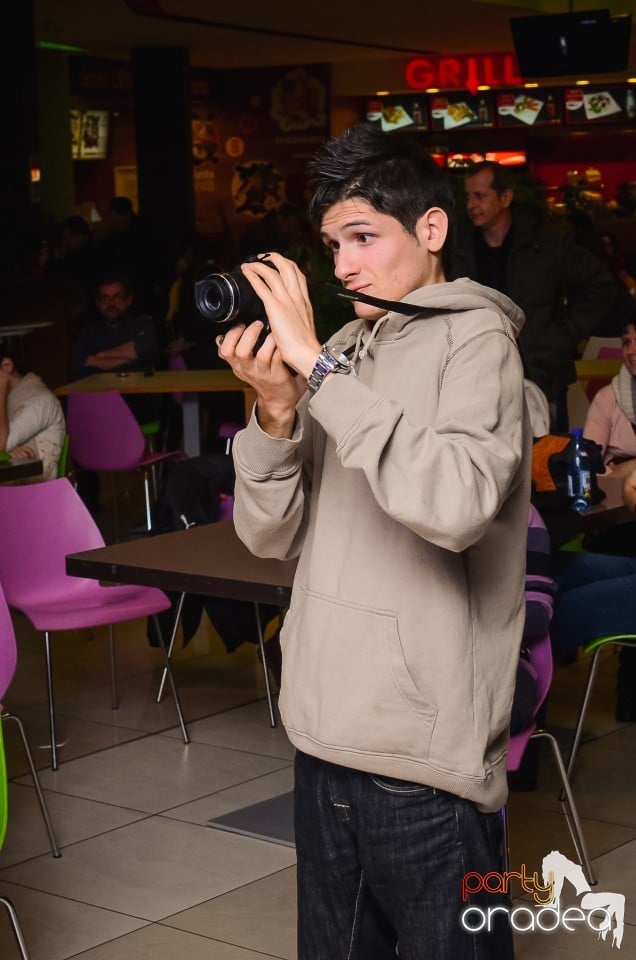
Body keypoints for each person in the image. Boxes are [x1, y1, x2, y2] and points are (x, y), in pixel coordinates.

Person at [218, 123, 531, 959]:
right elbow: (270, 536)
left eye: (364, 237)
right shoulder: (346, 349)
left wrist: (317, 371)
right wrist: (275, 413)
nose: (345, 265)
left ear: (431, 229)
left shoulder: (479, 342)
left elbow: (458, 504)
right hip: (322, 733)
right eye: (333, 246)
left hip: (423, 757)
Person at [457, 161, 617, 432]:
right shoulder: (462, 249)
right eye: (468, 196)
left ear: (505, 197)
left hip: (542, 376)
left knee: (546, 454)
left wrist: (561, 336)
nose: (471, 204)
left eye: (480, 196)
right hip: (480, 379)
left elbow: (599, 285)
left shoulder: (546, 243)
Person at [0, 347, 65, 480]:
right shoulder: (9, 399)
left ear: (6, 366)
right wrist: (7, 451)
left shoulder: (41, 402)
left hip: (36, 488)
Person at [584, 320, 636, 476]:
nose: (631, 350)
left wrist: (627, 467)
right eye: (626, 343)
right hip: (614, 485)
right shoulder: (606, 398)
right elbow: (588, 463)